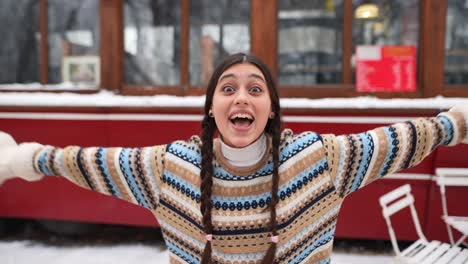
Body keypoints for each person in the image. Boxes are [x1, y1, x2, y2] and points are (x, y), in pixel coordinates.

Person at [0, 53, 467, 264]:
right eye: (228, 88)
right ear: (211, 108)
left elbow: (402, 138)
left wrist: (458, 121)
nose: (241, 97)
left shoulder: (320, 161)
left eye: (255, 89)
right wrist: (28, 158)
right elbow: (90, 162)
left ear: (269, 109)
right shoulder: (169, 168)